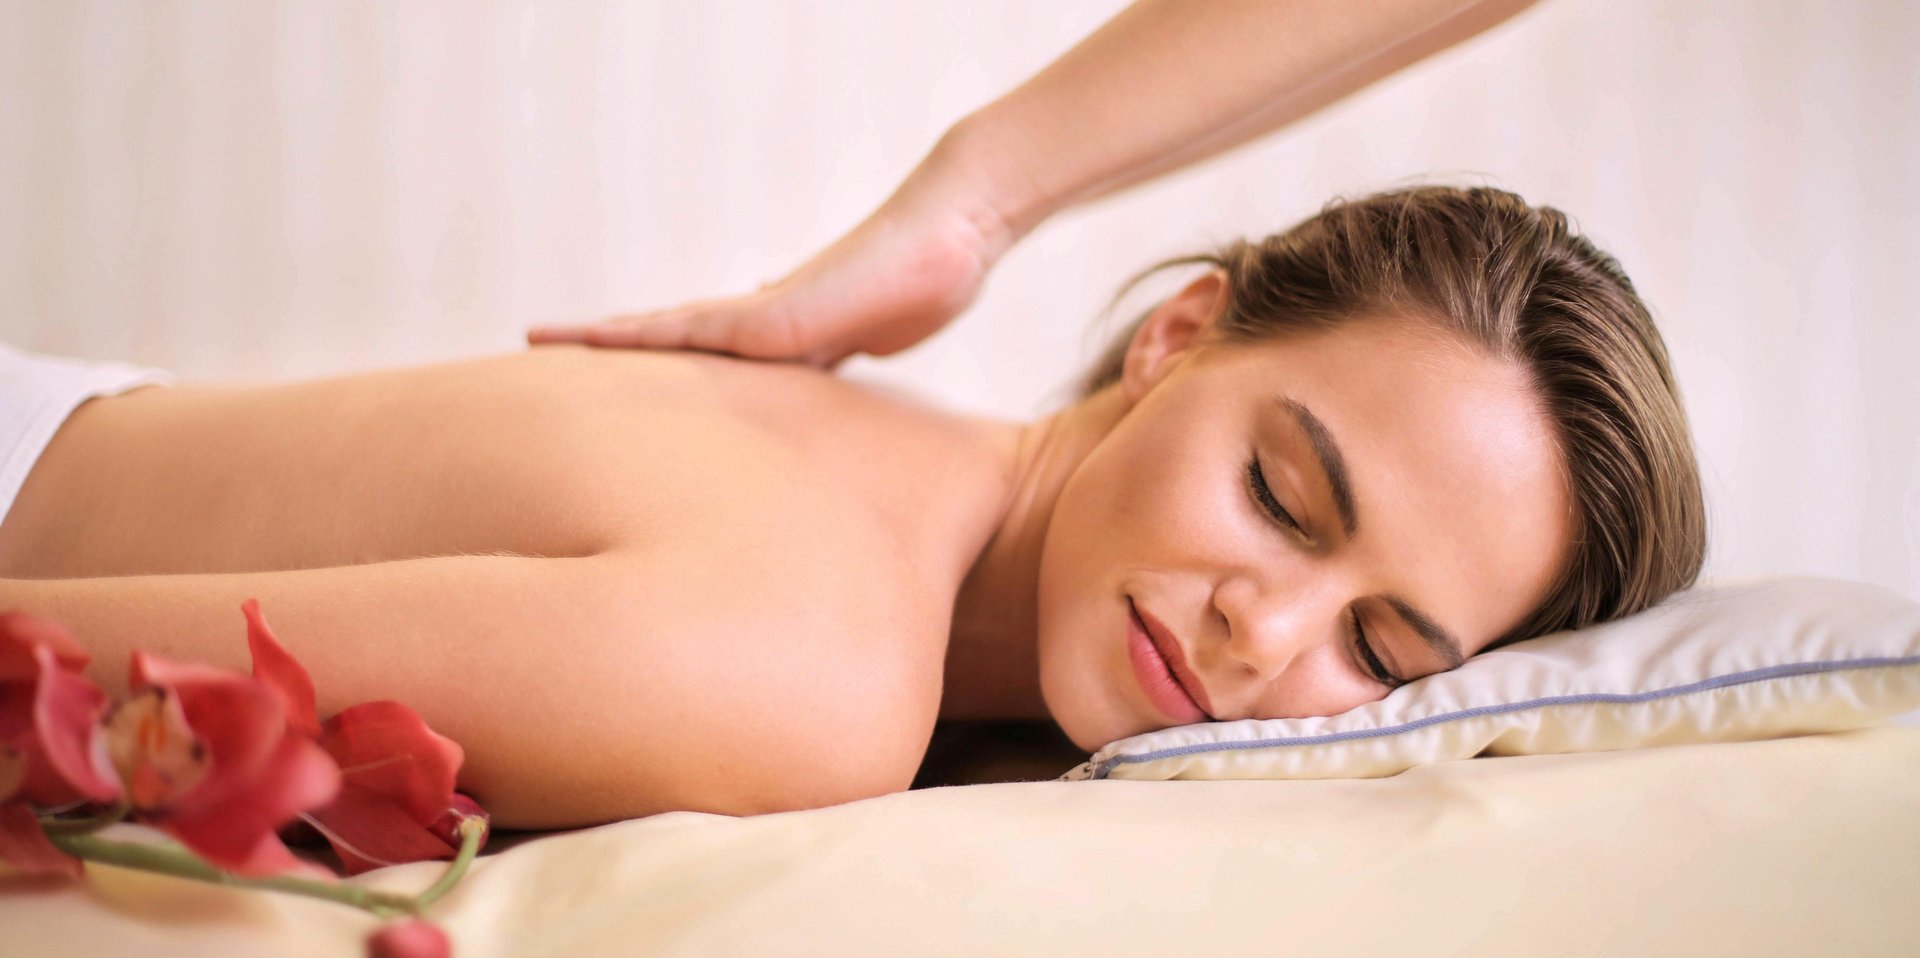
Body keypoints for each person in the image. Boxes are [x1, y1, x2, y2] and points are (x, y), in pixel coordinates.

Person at [0, 3, 1709, 829]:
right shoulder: (819, 676)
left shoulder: (897, 487)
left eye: (1391, 653)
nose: (1266, 633)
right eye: (1279, 492)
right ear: (1179, 334)